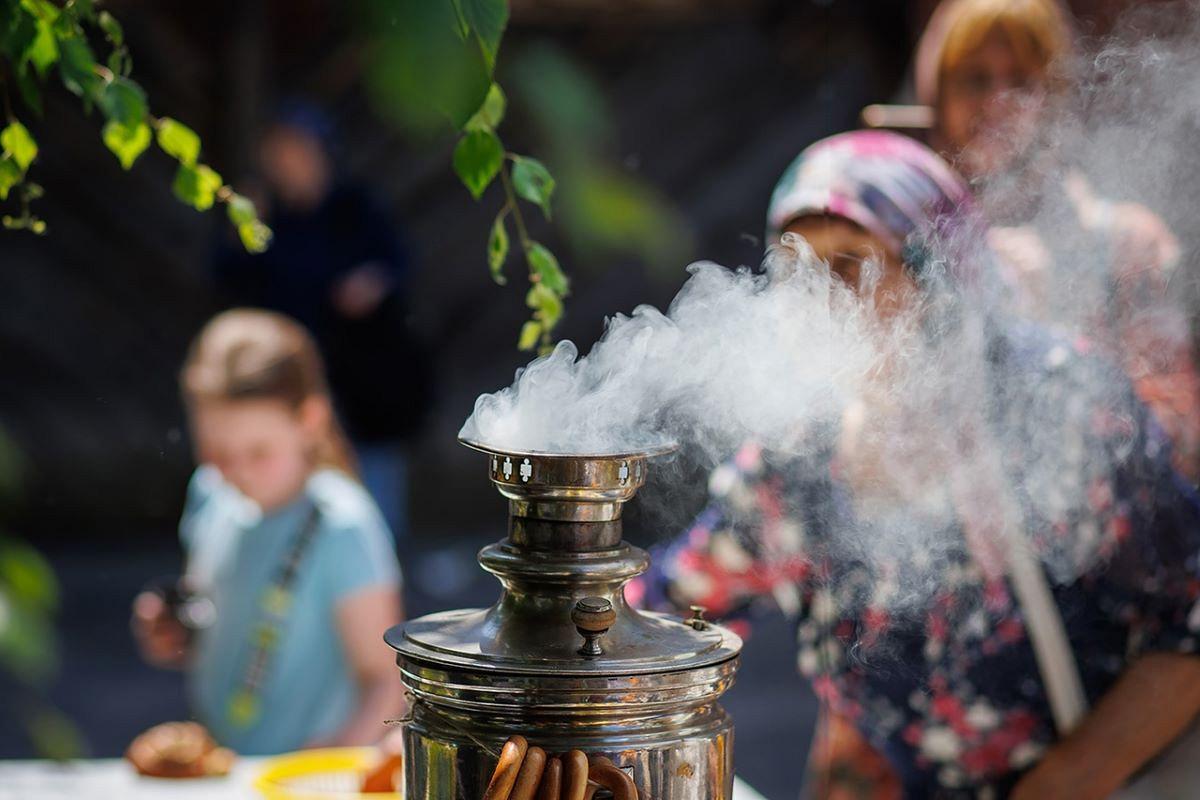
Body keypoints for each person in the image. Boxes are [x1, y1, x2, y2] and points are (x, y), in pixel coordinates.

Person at [641, 131, 1200, 798]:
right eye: (795, 270)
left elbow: (1189, 624)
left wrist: (1061, 785)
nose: (816, 298)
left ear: (937, 274)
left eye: (848, 265)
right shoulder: (796, 469)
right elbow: (662, 623)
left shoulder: (1058, 402)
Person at [912, 0, 1200, 482]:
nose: (998, 100)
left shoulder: (1127, 244)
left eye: (1021, 81)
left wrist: (1049, 339)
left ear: (1052, 97)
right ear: (938, 98)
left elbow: (1177, 439)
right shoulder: (907, 246)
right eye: (975, 79)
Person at [132, 309, 406, 755]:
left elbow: (382, 681)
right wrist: (177, 633)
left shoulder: (344, 526)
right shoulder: (209, 492)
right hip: (228, 767)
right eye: (217, 450)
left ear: (309, 421)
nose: (237, 471)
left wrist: (330, 765)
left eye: (258, 452)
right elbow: (234, 622)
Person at [214, 102, 431, 542]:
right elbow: (231, 278)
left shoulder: (356, 208)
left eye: (295, 149)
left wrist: (371, 283)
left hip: (362, 383)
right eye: (277, 151)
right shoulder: (266, 216)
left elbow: (396, 265)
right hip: (288, 384)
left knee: (371, 498)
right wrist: (241, 230)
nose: (285, 161)